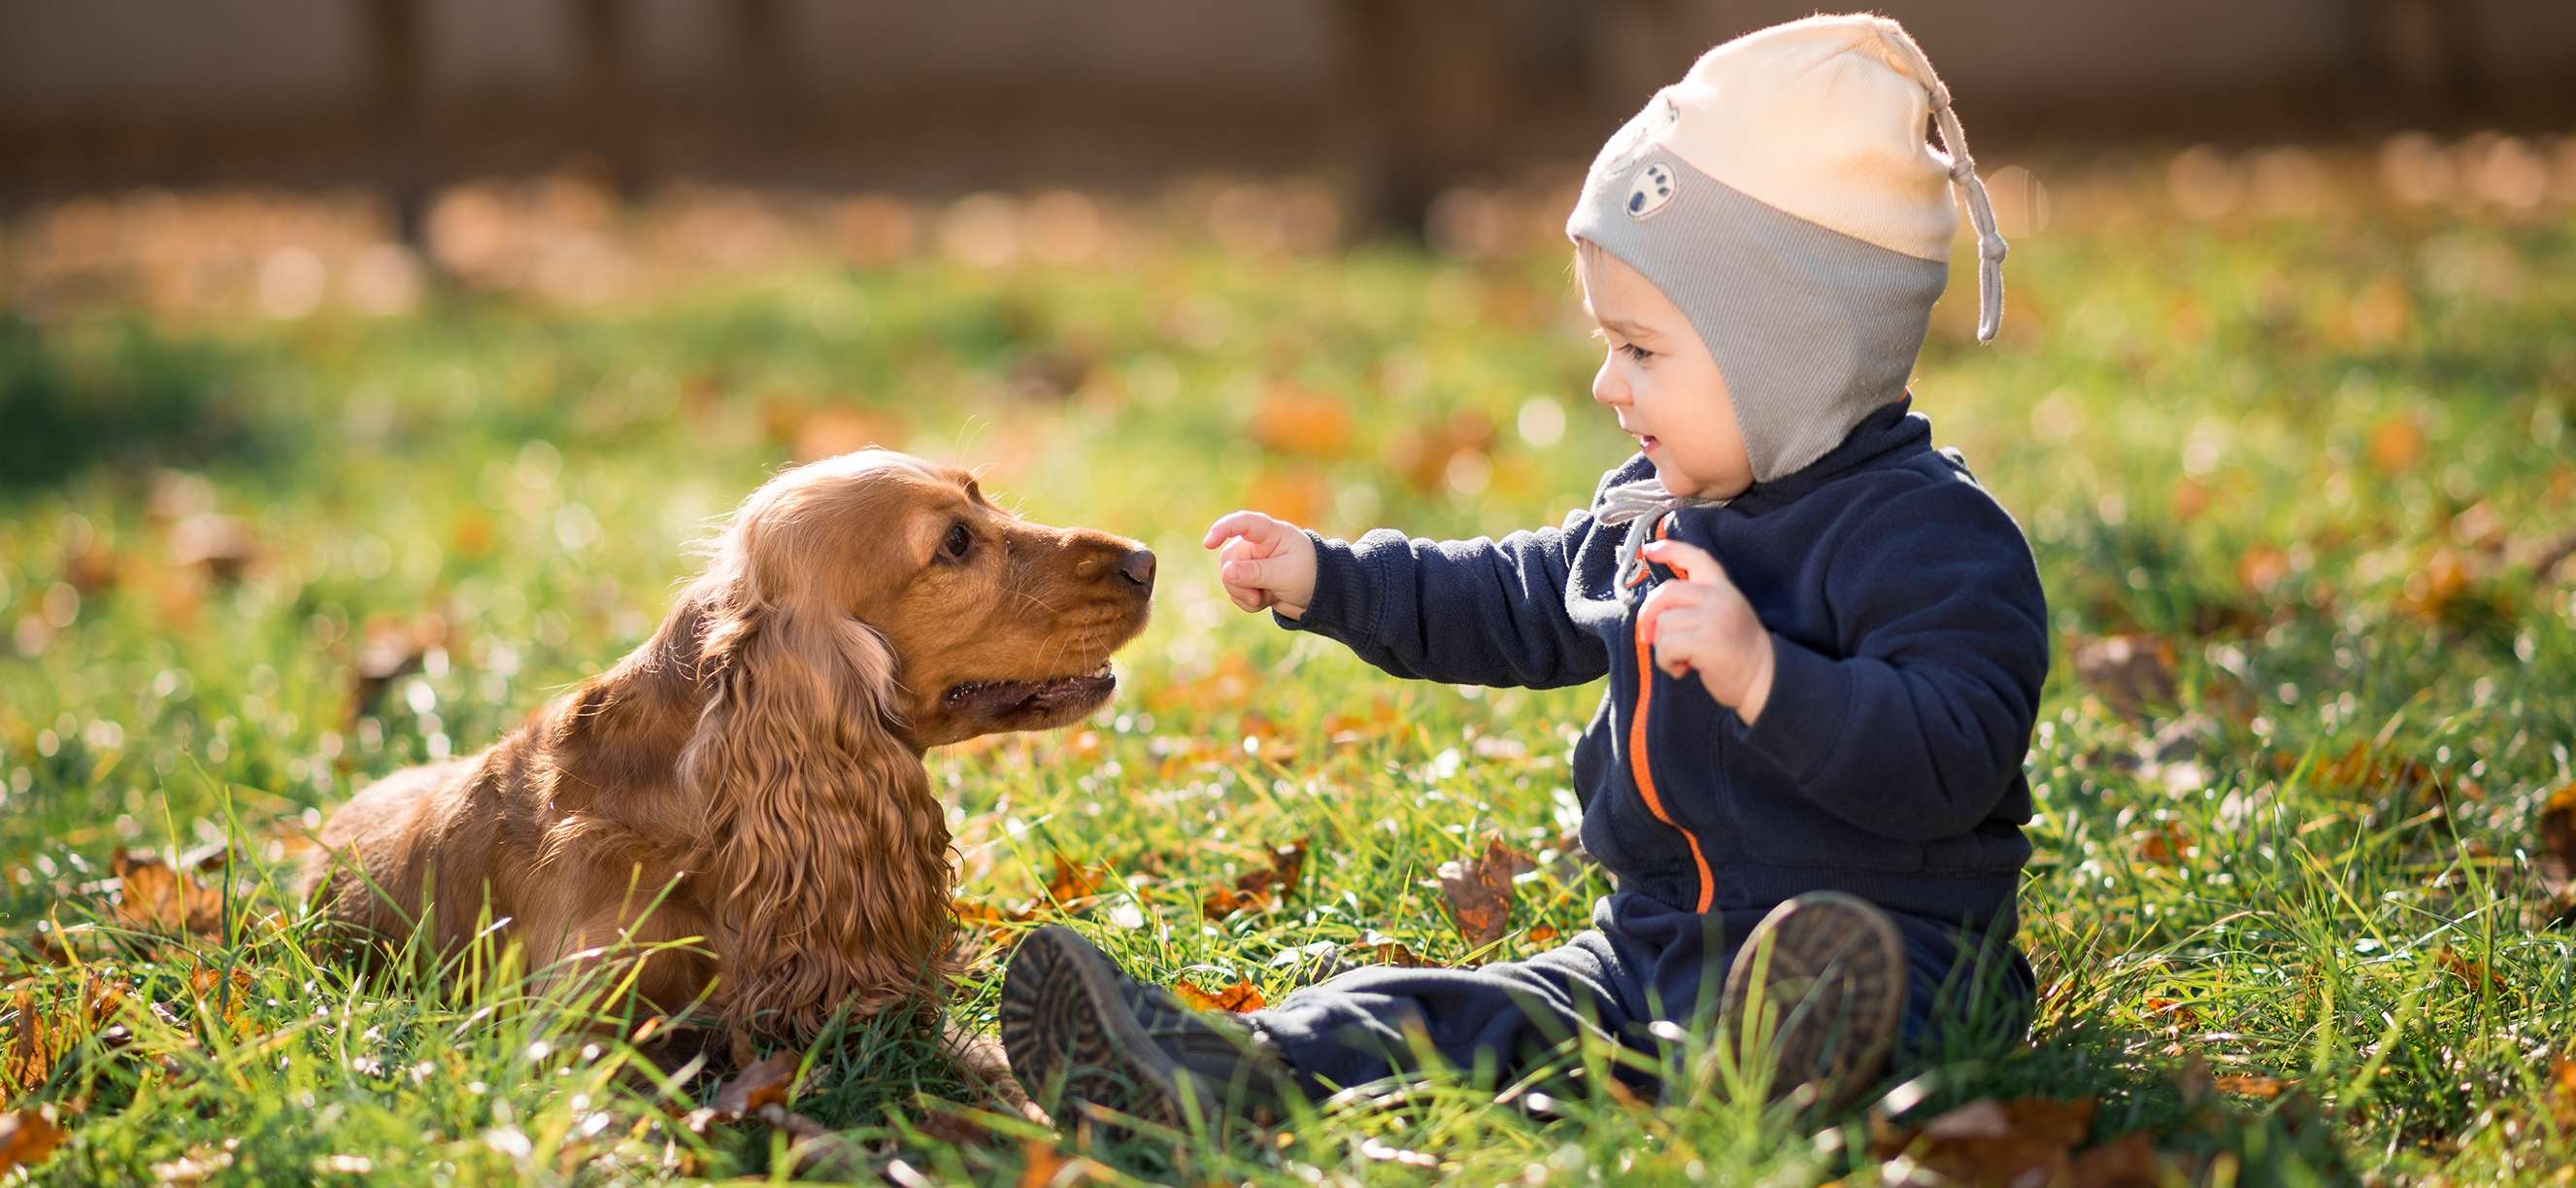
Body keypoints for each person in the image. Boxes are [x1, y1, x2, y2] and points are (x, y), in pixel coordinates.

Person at [999, 12, 2047, 1129]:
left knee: (1832, 998)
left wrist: (1766, 677)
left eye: (1640, 349)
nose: (1607, 383)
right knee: (1456, 1012)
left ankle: (1789, 1060)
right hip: (1652, 947)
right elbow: (1511, 597)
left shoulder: (1933, 540)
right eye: (1608, 344)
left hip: (1900, 952)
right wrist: (1331, 580)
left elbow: (1952, 756)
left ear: (1790, 357)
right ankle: (1234, 1065)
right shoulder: (1657, 511)